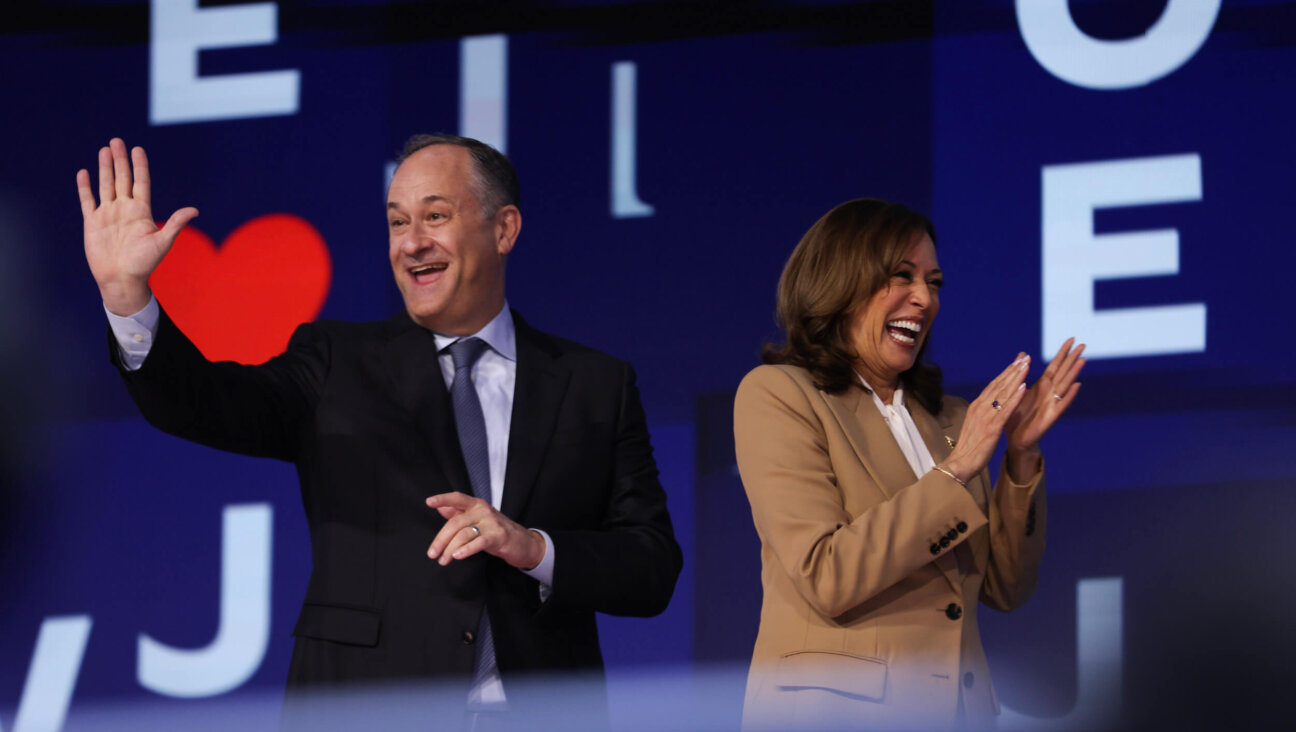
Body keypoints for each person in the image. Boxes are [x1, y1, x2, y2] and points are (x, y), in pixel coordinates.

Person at [77, 135, 682, 726]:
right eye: (397, 223)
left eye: (435, 216)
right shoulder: (336, 359)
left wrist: (534, 549)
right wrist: (127, 296)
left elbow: (651, 567)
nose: (412, 243)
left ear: (504, 229)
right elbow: (201, 403)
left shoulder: (594, 383)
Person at [733, 198, 1085, 729]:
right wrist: (958, 468)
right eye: (901, 276)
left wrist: (1020, 455)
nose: (924, 299)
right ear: (840, 284)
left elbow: (1006, 589)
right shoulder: (780, 395)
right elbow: (827, 573)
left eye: (934, 282)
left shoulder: (949, 418)